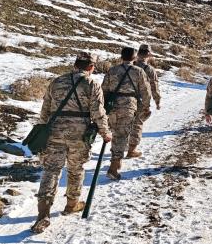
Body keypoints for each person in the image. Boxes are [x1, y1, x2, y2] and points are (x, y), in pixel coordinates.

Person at [31, 52, 112, 234]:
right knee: (76, 169)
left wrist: (43, 130)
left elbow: (45, 111)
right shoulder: (92, 84)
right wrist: (105, 132)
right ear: (91, 67)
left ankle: (43, 214)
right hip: (79, 134)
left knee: (51, 170)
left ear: (75, 64)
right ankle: (72, 204)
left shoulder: (57, 81)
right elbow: (98, 112)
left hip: (54, 132)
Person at [102, 47, 152, 180]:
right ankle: (114, 167)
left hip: (112, 106)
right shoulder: (139, 71)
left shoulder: (112, 70)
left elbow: (104, 90)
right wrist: (146, 107)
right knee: (122, 135)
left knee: (116, 133)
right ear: (134, 58)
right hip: (129, 106)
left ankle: (115, 161)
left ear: (121, 56)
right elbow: (146, 92)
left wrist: (104, 106)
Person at [128, 44, 161, 158]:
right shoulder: (150, 70)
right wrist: (157, 101)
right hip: (141, 100)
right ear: (148, 55)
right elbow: (154, 87)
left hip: (125, 99)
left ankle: (120, 147)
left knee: (124, 124)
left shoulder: (129, 66)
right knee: (137, 124)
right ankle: (131, 150)